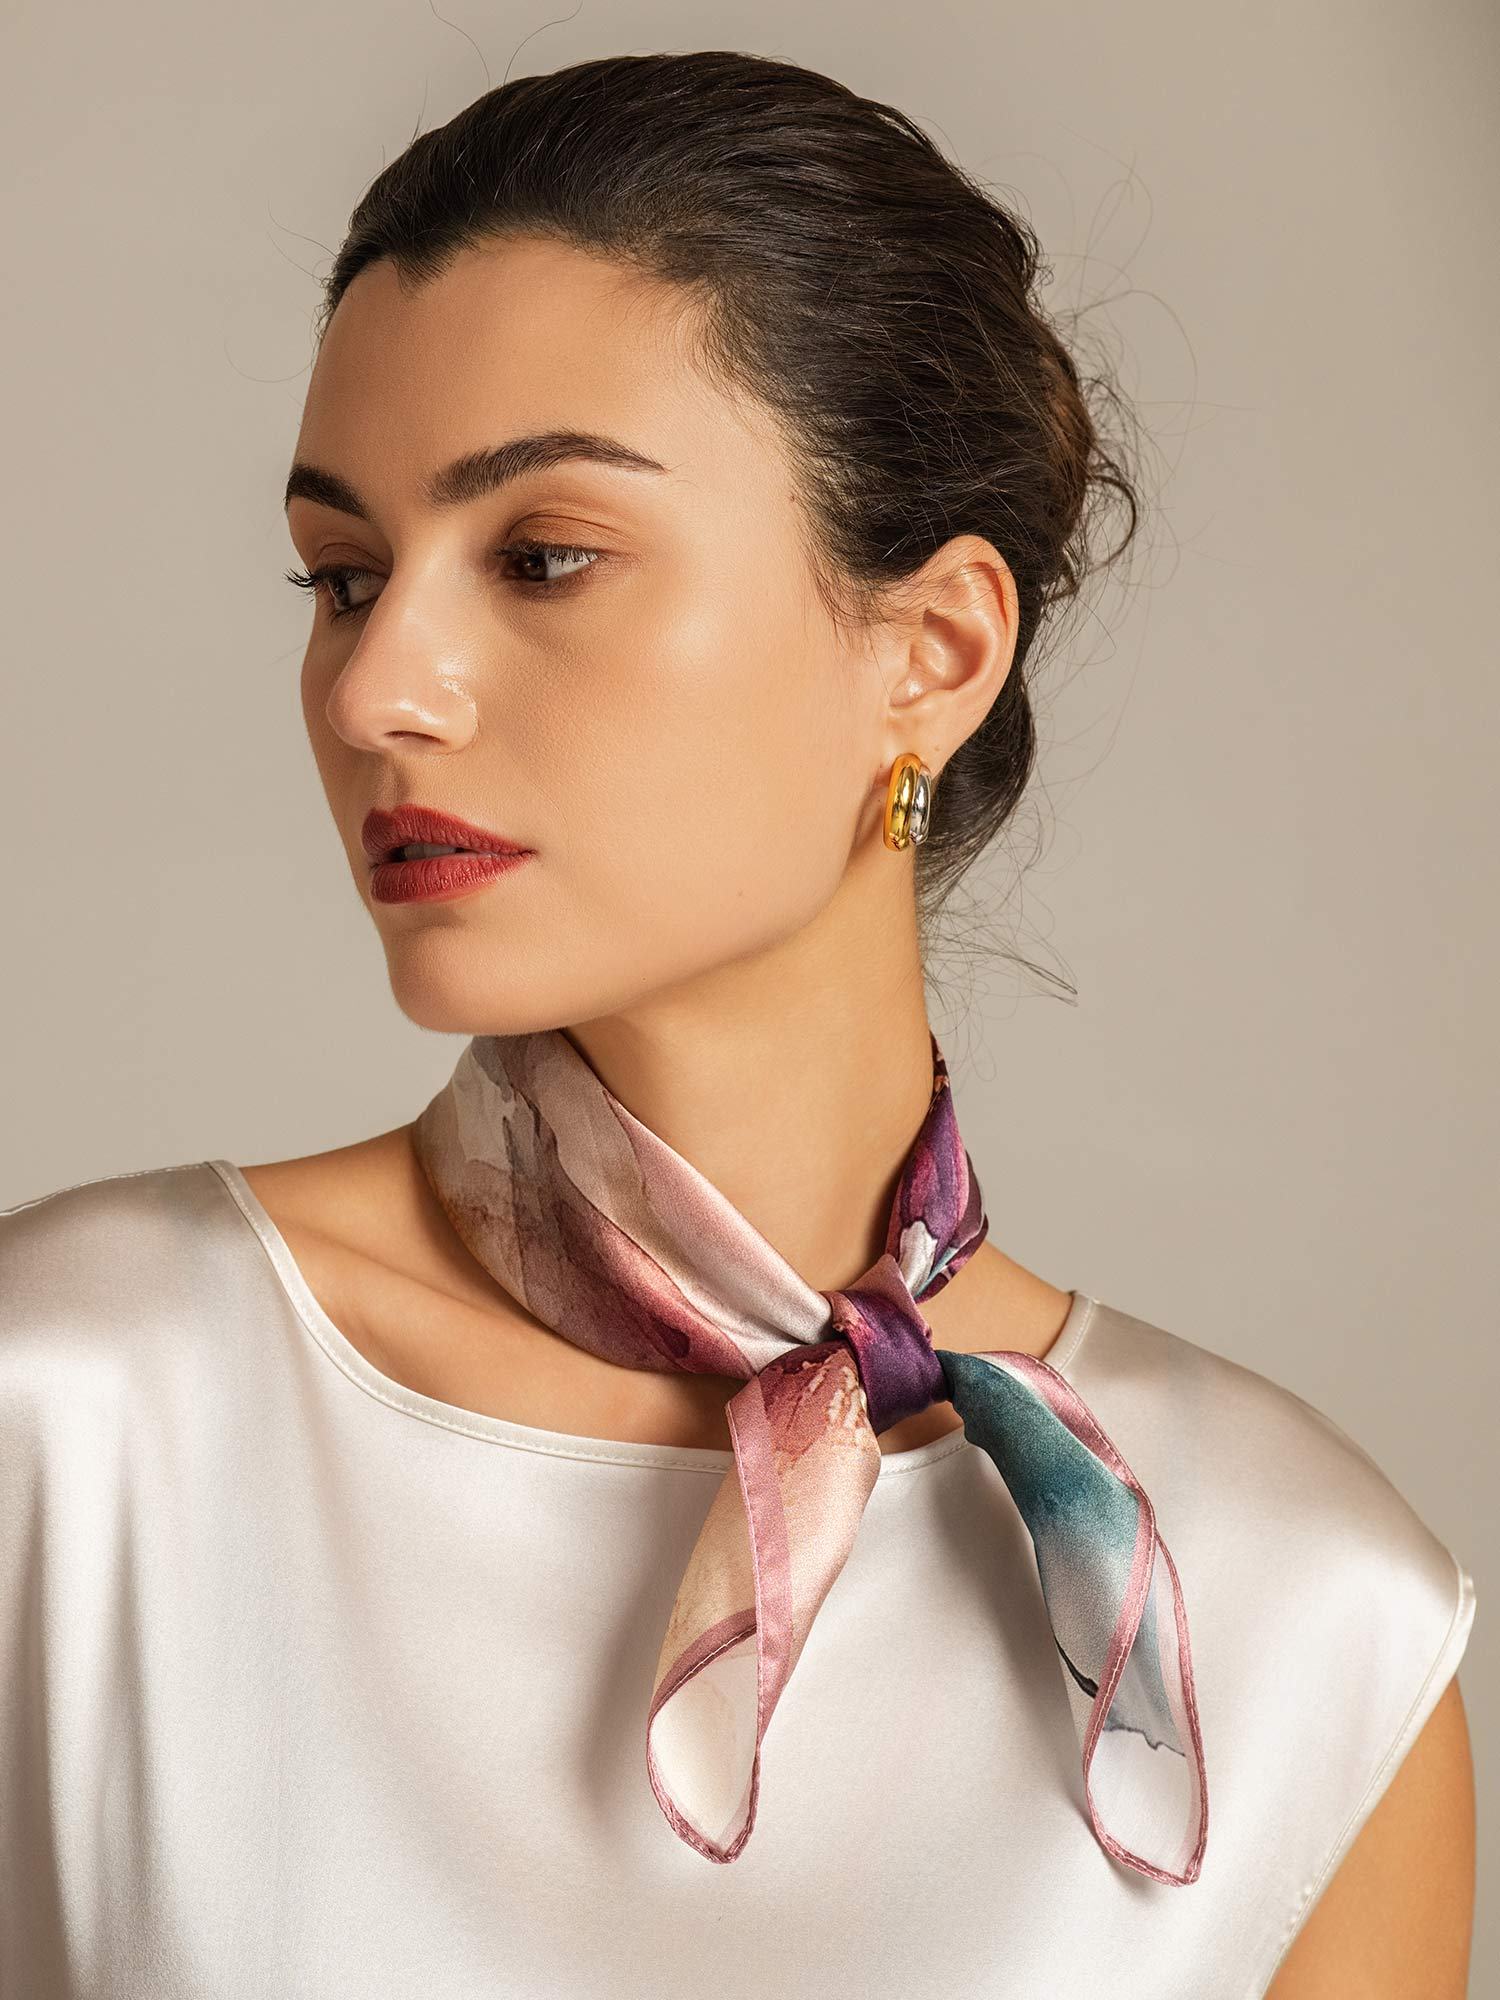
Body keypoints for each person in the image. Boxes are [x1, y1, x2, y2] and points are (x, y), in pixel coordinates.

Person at [0, 49, 1475, 2000]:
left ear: (932, 651)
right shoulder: (77, 1413)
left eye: (542, 557)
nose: (373, 691)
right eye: (345, 577)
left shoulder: (1305, 1622)